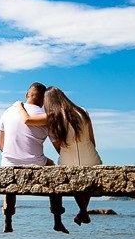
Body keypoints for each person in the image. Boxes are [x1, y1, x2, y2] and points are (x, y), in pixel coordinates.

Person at [15, 86, 102, 226]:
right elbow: (92, 140)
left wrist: (19, 106)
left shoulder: (53, 117)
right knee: (86, 179)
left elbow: (27, 120)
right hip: (91, 155)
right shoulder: (83, 111)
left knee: (74, 179)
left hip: (68, 158)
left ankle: (83, 212)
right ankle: (83, 212)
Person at [0, 82, 67, 233]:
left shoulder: (7, 112)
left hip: (9, 162)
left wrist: (15, 155)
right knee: (53, 168)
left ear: (27, 95)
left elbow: (0, 145)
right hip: (36, 163)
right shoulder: (44, 116)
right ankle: (57, 220)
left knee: (9, 180)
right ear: (44, 100)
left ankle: (8, 221)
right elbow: (57, 144)